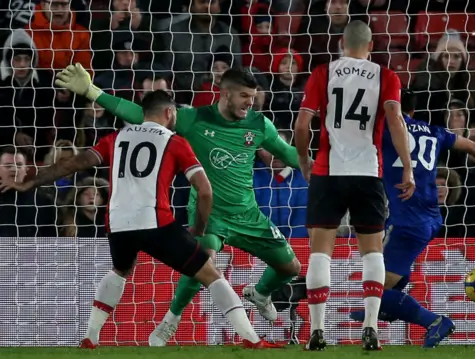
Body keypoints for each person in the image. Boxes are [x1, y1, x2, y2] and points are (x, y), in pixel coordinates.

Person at [0, 90, 275, 349]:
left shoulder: (115, 138)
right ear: (169, 113)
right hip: (156, 222)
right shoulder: (174, 141)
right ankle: (251, 338)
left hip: (117, 225)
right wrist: (199, 229)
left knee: (121, 270)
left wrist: (30, 183)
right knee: (211, 274)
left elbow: (72, 164)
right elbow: (205, 190)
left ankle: (90, 338)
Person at [53, 64, 301, 347]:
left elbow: (288, 154)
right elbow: (141, 115)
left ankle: (260, 293)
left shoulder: (259, 124)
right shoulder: (193, 119)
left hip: (247, 212)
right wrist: (92, 91)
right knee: (202, 261)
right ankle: (171, 319)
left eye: (253, 96)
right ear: (226, 93)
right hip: (210, 213)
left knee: (290, 267)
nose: (251, 102)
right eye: (244, 96)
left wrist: (322, 168)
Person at [348, 89, 475, 348]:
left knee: (375, 292)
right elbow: (474, 146)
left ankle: (433, 321)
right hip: (431, 218)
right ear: (413, 111)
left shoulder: (384, 130)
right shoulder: (433, 132)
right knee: (380, 282)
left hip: (407, 222)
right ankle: (388, 309)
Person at [294, 20, 415, 351]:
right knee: (372, 251)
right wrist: (407, 166)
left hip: (327, 171)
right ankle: (371, 327)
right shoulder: (386, 76)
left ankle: (317, 331)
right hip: (367, 173)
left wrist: (304, 160)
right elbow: (395, 119)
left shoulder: (323, 72)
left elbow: (302, 123)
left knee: (320, 251)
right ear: (371, 44)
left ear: (342, 43)